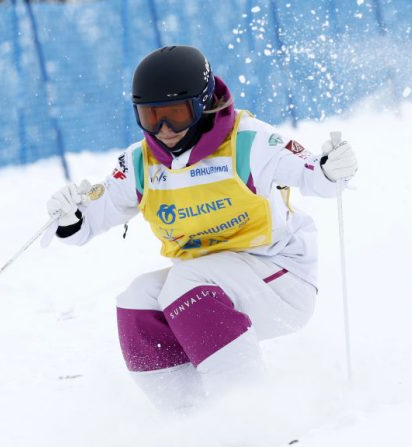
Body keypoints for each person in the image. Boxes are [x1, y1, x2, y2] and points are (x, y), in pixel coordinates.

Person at [45, 45, 358, 411]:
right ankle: (191, 419)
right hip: (211, 291)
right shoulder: (140, 164)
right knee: (136, 301)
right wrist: (71, 218)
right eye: (151, 117)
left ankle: (249, 413)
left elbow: (316, 177)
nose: (164, 130)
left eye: (176, 115)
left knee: (186, 283)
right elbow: (92, 219)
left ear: (203, 103)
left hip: (280, 278)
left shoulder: (248, 141)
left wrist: (329, 167)